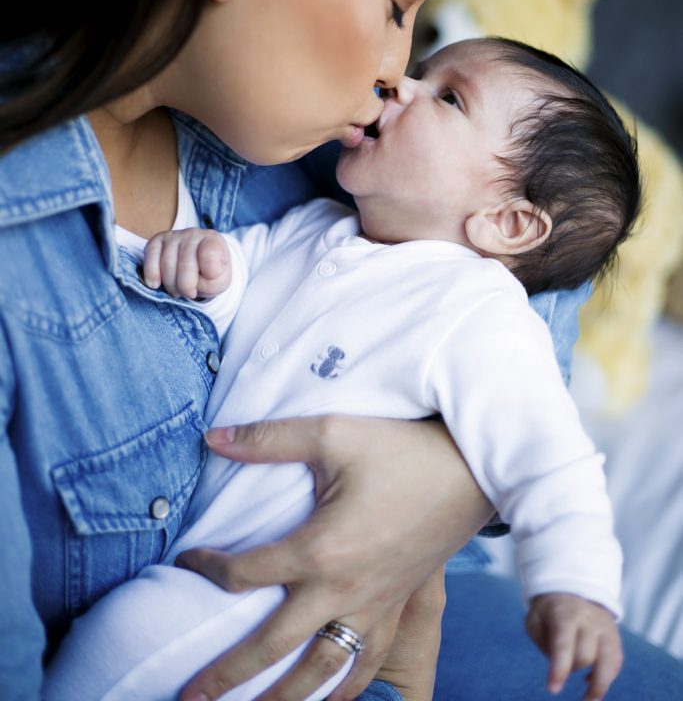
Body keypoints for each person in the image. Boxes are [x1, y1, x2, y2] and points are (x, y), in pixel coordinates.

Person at [2, 0, 683, 700]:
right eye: (398, 3)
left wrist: (441, 486)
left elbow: (544, 256)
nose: (394, 73)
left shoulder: (322, 136)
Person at [44, 36, 638, 701]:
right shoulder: (318, 226)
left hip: (280, 598)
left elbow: (549, 457)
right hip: (210, 557)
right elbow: (243, 283)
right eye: (423, 72)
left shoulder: (480, 313)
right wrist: (212, 267)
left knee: (126, 636)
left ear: (508, 222)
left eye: (448, 98)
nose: (401, 84)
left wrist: (576, 585)